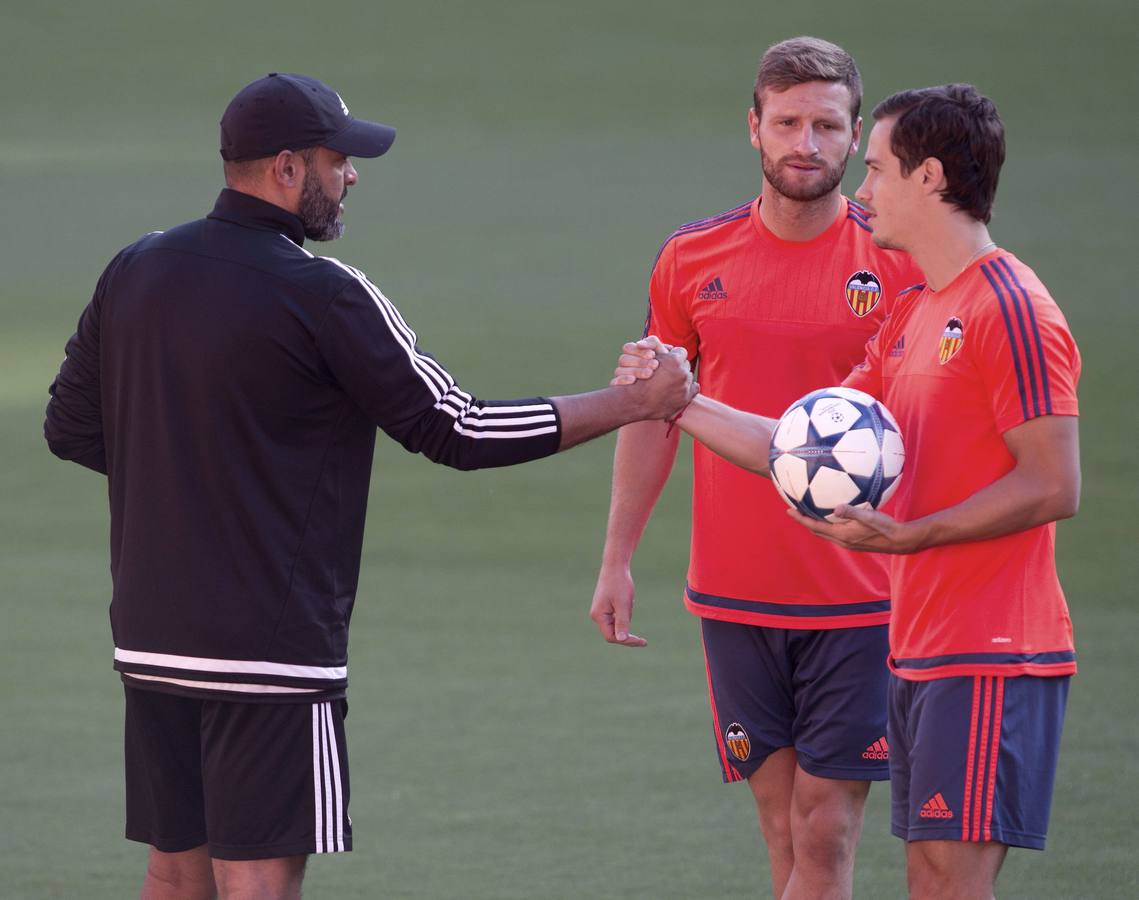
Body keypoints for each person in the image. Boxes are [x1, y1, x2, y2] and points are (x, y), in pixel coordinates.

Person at [43, 72, 695, 900]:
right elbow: (456, 429)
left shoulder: (134, 267)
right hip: (270, 651)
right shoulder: (325, 295)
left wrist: (193, 477)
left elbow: (70, 428)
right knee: (258, 886)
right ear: (286, 168)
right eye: (338, 158)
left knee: (174, 876)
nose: (352, 174)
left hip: (150, 636)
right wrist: (635, 401)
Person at [618, 83, 1080, 900]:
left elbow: (1053, 483)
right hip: (921, 644)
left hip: (991, 648)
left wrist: (911, 535)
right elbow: (798, 446)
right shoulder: (914, 312)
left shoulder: (1007, 307)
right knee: (923, 879)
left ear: (928, 177)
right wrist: (678, 396)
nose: (859, 189)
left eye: (874, 169)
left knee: (943, 884)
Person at [590, 37, 922, 900]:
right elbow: (651, 413)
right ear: (753, 129)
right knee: (782, 830)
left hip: (860, 592)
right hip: (735, 592)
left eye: (825, 124)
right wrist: (617, 556)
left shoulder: (900, 264)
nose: (803, 143)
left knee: (826, 827)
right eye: (786, 123)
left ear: (855, 138)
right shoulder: (689, 259)